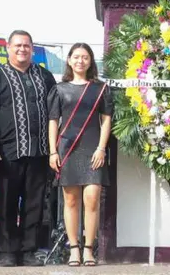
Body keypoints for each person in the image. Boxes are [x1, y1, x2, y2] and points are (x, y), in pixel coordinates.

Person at [0, 30, 57, 267]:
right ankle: (7, 251)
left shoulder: (45, 76)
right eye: (17, 45)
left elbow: (55, 114)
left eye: (26, 45)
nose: (22, 49)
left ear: (32, 48)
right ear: (8, 48)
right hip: (7, 152)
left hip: (39, 151)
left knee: (35, 204)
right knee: (7, 202)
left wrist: (54, 148)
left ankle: (28, 250)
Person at [48, 43, 113, 267]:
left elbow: (106, 120)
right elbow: (53, 121)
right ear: (69, 60)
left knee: (92, 199)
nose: (80, 61)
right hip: (67, 148)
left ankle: (89, 249)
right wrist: (53, 151)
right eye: (76, 57)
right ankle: (74, 249)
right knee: (71, 200)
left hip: (93, 149)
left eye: (85, 57)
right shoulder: (59, 89)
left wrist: (101, 148)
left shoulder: (100, 89)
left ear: (91, 61)